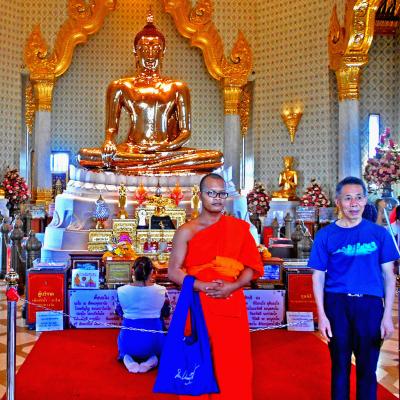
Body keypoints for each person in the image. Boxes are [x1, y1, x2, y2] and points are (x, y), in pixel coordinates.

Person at [78, 11, 222, 174]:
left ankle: (146, 166)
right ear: (135, 51)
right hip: (132, 150)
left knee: (216, 157)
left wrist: (165, 147)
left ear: (163, 51)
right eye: (144, 47)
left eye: (155, 47)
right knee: (85, 155)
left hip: (166, 151)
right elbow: (111, 129)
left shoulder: (177, 87)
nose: (150, 53)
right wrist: (109, 142)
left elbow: (185, 132)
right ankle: (153, 166)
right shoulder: (120, 86)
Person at [168, 173, 264, 400]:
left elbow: (252, 266)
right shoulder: (186, 231)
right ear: (200, 195)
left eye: (221, 193)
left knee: (233, 361)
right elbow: (174, 271)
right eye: (211, 193)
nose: (217, 198)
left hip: (231, 303)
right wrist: (200, 285)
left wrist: (234, 285)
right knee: (198, 359)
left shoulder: (239, 229)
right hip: (199, 304)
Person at [308, 176, 398, 400]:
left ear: (365, 200)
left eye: (359, 198)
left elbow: (389, 276)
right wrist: (322, 314)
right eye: (347, 198)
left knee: (367, 369)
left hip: (370, 306)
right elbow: (317, 277)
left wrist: (387, 316)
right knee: (339, 366)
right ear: (338, 202)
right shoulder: (326, 235)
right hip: (337, 304)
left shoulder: (379, 235)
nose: (354, 203)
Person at [116, 256, 170, 373]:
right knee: (159, 349)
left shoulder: (121, 290)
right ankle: (152, 359)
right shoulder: (162, 290)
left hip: (129, 339)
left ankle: (127, 358)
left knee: (125, 349)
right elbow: (166, 313)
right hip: (153, 338)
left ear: (132, 271)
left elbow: (118, 312)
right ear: (152, 272)